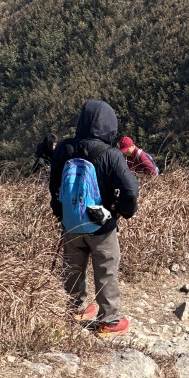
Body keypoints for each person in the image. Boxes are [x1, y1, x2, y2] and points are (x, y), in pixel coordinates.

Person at [49, 99, 139, 336]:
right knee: (106, 268)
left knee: (72, 267)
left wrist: (61, 212)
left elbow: (54, 186)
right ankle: (109, 320)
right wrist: (123, 211)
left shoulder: (63, 149)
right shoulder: (110, 154)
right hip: (101, 225)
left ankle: (76, 308)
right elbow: (130, 190)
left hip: (71, 222)